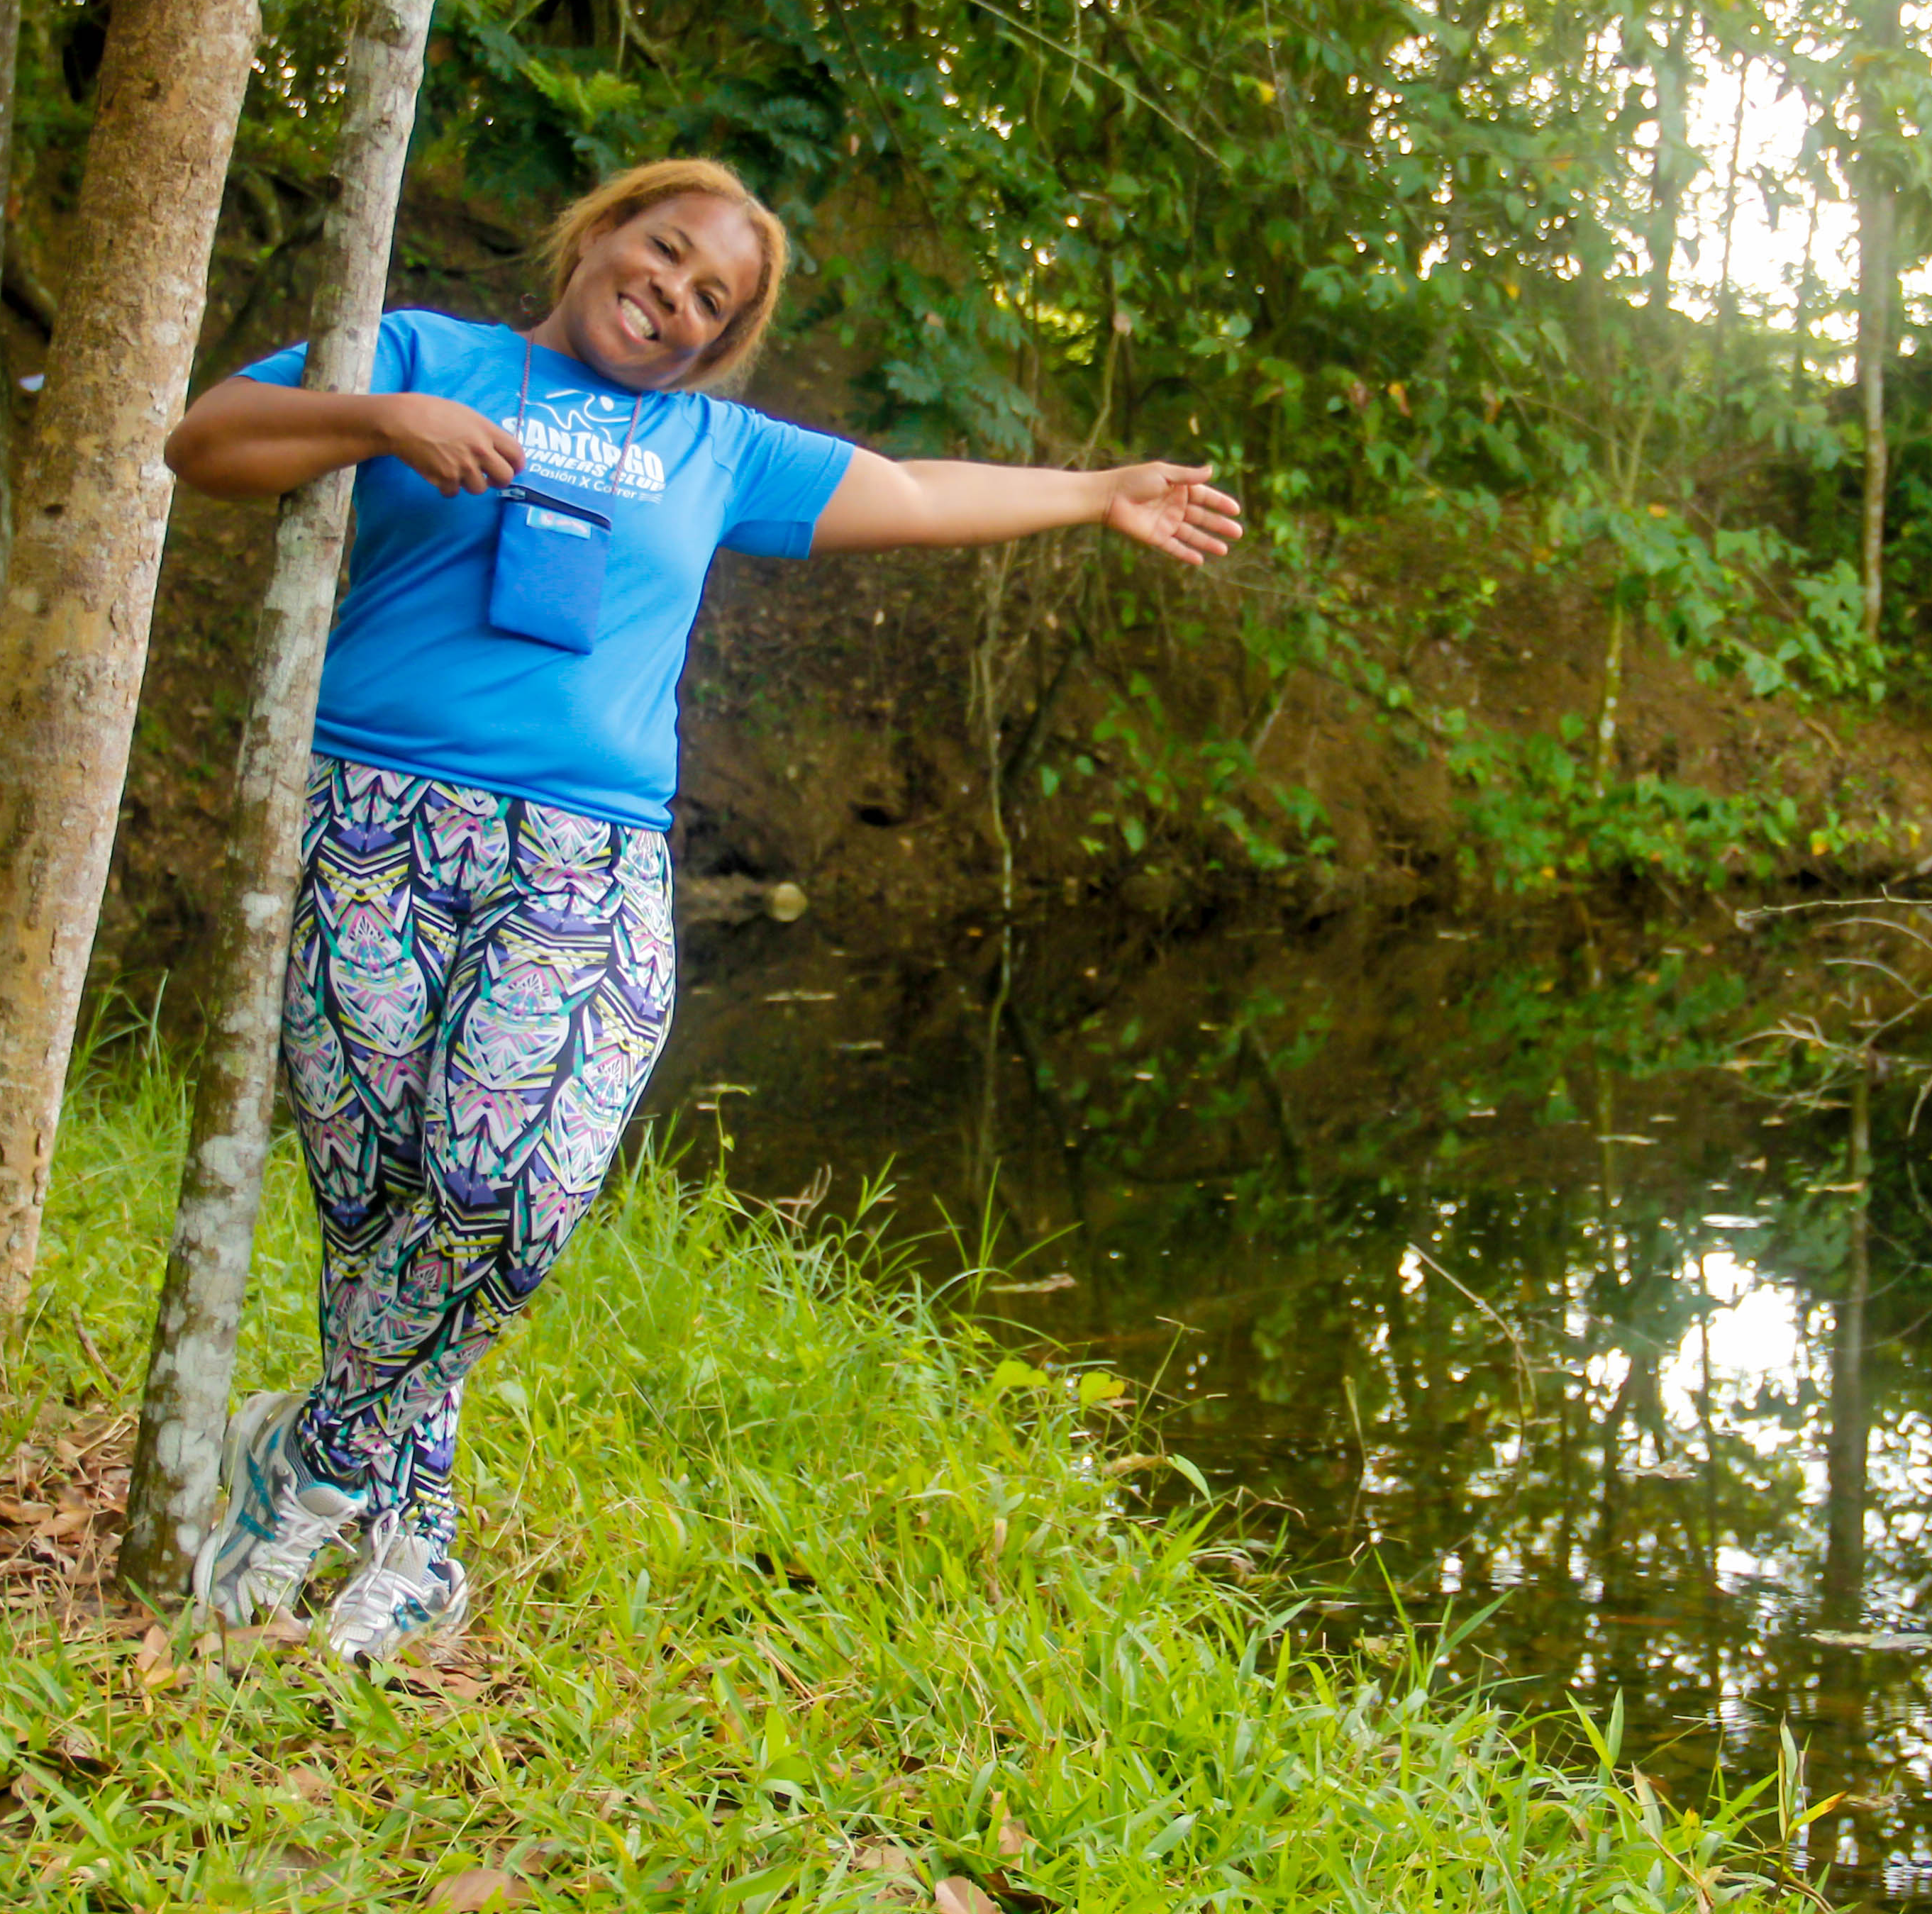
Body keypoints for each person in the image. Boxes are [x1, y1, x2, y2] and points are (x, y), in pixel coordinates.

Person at [162, 157, 1241, 1669]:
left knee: (508, 1194)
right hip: (366, 823)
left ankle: (313, 1452)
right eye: (663, 254)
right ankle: (411, 1540)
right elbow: (205, 441)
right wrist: (380, 420)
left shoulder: (714, 447)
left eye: (712, 299)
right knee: (381, 1199)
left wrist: (1097, 490)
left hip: (581, 854)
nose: (672, 297)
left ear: (722, 339)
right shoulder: (421, 353)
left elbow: (918, 490)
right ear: (600, 230)